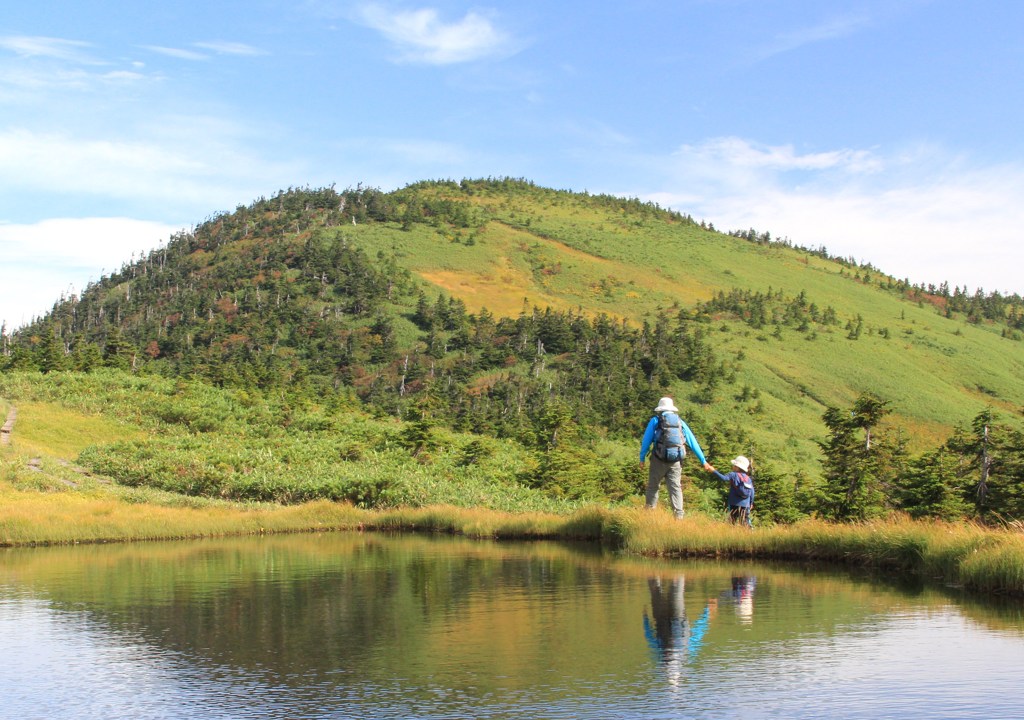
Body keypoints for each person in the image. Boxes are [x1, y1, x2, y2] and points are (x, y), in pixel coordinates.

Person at [639, 397, 712, 519]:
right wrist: (703, 461)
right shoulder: (680, 422)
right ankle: (678, 517)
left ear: (660, 409)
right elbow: (692, 442)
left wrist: (642, 458)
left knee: (653, 486)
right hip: (676, 461)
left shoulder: (656, 420)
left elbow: (646, 441)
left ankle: (649, 514)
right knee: (675, 488)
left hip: (658, 460)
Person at [706, 455, 754, 527]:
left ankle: (730, 535)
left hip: (734, 503)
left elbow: (724, 478)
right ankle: (749, 534)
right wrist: (751, 503)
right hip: (746, 504)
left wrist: (713, 471)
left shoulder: (733, 474)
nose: (733, 466)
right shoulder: (748, 478)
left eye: (734, 465)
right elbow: (752, 492)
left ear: (737, 467)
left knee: (732, 521)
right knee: (745, 522)